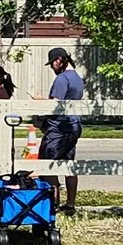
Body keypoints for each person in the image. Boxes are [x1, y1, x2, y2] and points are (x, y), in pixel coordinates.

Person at [41, 48, 85, 208]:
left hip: (58, 127)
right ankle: (70, 203)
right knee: (69, 165)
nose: (52, 67)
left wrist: (39, 102)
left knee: (48, 164)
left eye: (52, 63)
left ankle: (53, 203)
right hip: (74, 125)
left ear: (59, 60)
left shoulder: (62, 79)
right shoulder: (77, 78)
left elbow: (54, 104)